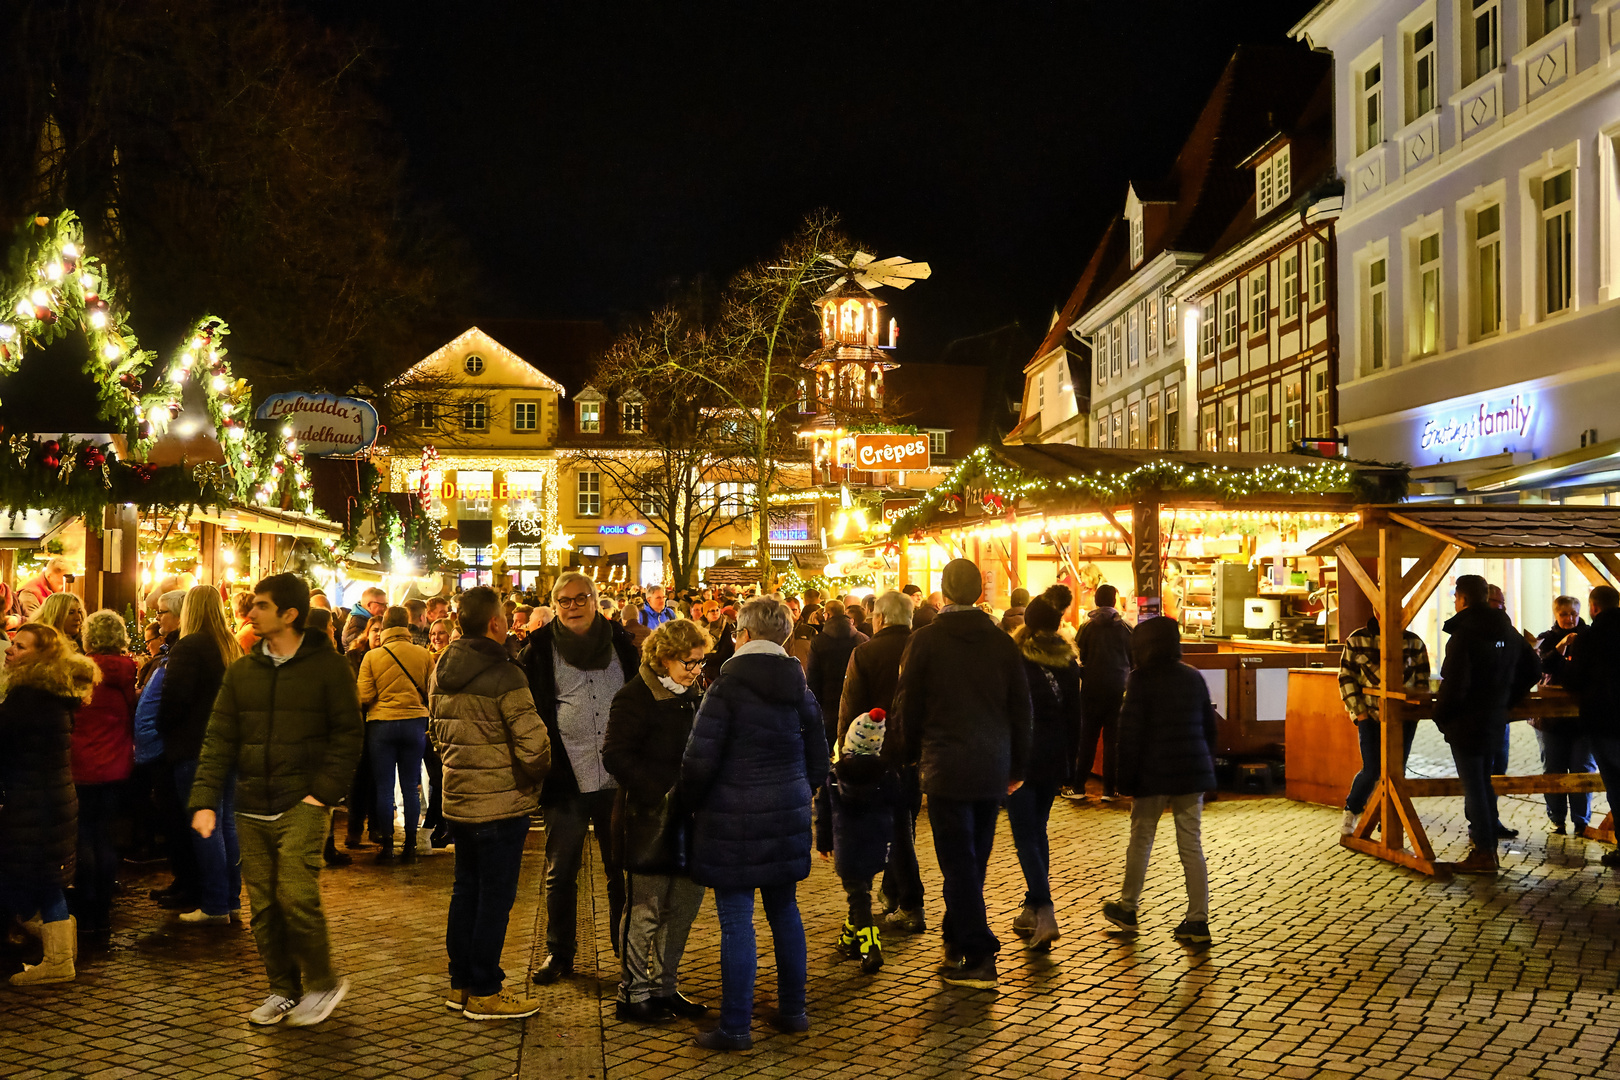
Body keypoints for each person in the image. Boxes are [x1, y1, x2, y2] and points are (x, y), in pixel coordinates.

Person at [189, 573, 363, 1026]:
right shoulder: (243, 670)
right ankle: (283, 989)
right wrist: (205, 798)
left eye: (261, 606)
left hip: (299, 802)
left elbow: (348, 735)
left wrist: (320, 793)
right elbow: (219, 737)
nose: (250, 614)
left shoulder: (328, 668)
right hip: (250, 804)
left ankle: (323, 982)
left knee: (296, 894)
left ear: (289, 615)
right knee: (263, 906)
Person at [680, 597, 827, 1051]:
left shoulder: (724, 689)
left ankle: (736, 1025)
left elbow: (698, 762)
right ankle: (793, 1010)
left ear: (743, 635)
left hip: (733, 820)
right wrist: (800, 790)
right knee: (785, 911)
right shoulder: (801, 691)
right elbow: (820, 762)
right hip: (787, 815)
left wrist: (686, 805)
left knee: (736, 920)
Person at [898, 559, 1031, 990]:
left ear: (944, 591)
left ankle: (979, 953)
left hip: (946, 764)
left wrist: (903, 752)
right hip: (992, 763)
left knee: (958, 863)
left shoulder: (925, 642)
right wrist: (1017, 765)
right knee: (973, 859)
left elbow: (908, 704)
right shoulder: (1001, 642)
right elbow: (1021, 709)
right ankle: (955, 940)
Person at [431, 585, 550, 1020]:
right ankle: (485, 989)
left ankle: (461, 982)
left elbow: (436, 731)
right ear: (496, 623)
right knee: (495, 899)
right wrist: (532, 777)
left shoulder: (442, 667)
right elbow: (533, 743)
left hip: (459, 797)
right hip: (499, 802)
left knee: (466, 892)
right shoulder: (505, 673)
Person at [520, 570, 636, 985]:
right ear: (554, 605)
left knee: (619, 868)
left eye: (580, 598)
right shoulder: (537, 650)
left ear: (594, 599)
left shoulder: (623, 643)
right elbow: (526, 711)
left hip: (616, 777)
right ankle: (560, 953)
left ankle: (627, 953)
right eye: (564, 601)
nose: (572, 606)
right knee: (560, 870)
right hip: (564, 777)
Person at [602, 618, 713, 1024]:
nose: (697, 670)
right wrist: (657, 790)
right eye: (690, 662)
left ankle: (665, 987)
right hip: (646, 818)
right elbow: (615, 754)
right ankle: (633, 993)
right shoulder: (634, 696)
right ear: (664, 658)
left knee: (681, 908)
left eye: (700, 662)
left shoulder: (694, 695)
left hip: (689, 816)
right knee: (645, 909)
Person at [1102, 614, 1218, 943]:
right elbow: (1210, 728)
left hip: (1152, 772)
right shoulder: (1192, 677)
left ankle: (1128, 907)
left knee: (1141, 839)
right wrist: (1206, 767)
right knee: (1191, 845)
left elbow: (1130, 733)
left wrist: (1125, 781)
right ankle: (1198, 919)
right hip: (1191, 773)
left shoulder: (1141, 679)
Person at [822, 589, 915, 972]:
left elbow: (850, 703)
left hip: (869, 758)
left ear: (878, 618)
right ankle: (905, 898)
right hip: (909, 755)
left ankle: (884, 910)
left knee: (874, 839)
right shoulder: (919, 647)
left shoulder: (866, 653)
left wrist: (846, 752)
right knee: (903, 827)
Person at [3, 622, 98, 986]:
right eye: (13, 643)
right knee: (41, 879)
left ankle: (58, 957)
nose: (11, 650)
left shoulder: (29, 697)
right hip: (49, 798)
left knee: (39, 881)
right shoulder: (49, 693)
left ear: (41, 657)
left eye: (21, 647)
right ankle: (60, 943)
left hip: (36, 801)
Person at [1432, 575, 1541, 874]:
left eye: (1456, 597)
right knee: (1484, 783)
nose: (1455, 603)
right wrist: (1507, 697)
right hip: (1494, 719)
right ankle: (1486, 850)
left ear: (1463, 598)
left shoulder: (1463, 634)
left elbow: (1454, 685)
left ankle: (1484, 852)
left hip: (1467, 722)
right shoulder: (1505, 627)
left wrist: (1442, 718)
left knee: (1475, 787)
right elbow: (1533, 667)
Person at [159, 587, 246, 925]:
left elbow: (174, 701)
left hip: (195, 748)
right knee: (225, 825)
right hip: (227, 747)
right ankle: (230, 898)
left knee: (205, 826)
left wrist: (165, 729)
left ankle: (214, 904)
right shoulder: (231, 645)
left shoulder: (190, 646)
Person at [1005, 596, 1081, 951]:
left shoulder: (1016, 659)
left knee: (1025, 833)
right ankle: (1032, 907)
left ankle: (1045, 909)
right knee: (1038, 829)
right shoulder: (1068, 660)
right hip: (1054, 758)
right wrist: (1072, 763)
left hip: (1023, 758)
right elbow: (1074, 716)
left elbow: (1011, 714)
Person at [71, 610, 138, 936]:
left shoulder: (79, 671)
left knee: (84, 834)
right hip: (116, 764)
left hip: (81, 764)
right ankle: (104, 906)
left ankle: (87, 904)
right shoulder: (127, 671)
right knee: (106, 835)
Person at [1337, 614, 1431, 837]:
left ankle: (1387, 820)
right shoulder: (1356, 639)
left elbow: (1422, 680)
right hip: (1369, 714)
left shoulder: (1414, 642)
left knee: (1397, 771)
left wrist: (1414, 711)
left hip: (1403, 718)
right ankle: (1352, 809)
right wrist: (1359, 712)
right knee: (1372, 770)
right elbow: (1346, 677)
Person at [356, 605, 435, 864]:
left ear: (386, 626)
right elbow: (431, 692)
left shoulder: (372, 657)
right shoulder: (423, 655)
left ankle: (388, 845)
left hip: (382, 724)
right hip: (414, 723)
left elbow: (364, 696)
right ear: (408, 624)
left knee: (384, 788)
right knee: (411, 787)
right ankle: (410, 844)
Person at [1563, 585, 1620, 867]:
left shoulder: (1589, 638)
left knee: (1616, 784)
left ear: (1593, 607)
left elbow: (1575, 680)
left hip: (1605, 720)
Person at [1536, 595, 1595, 835]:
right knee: (1553, 768)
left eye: (1574, 614)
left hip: (1583, 717)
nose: (1570, 619)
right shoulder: (1547, 639)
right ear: (1556, 615)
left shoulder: (1591, 637)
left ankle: (1581, 820)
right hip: (1551, 719)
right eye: (1564, 614)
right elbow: (1542, 665)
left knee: (1581, 768)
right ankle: (1557, 818)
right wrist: (1562, 645)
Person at [1073, 584, 1132, 802]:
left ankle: (1079, 787)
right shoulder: (1126, 628)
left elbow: (1079, 653)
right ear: (1115, 601)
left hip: (1091, 688)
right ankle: (1109, 790)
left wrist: (1084, 673)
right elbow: (1132, 657)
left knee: (1087, 737)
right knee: (1111, 740)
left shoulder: (1087, 627)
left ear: (1096, 601)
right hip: (1117, 688)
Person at [342, 614, 383, 851]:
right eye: (374, 629)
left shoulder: (388, 656)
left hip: (379, 720)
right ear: (367, 632)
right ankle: (354, 829)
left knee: (378, 775)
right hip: (359, 722)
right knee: (359, 778)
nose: (378, 634)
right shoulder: (353, 656)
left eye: (382, 629)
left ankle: (376, 827)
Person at [15, 556, 69, 621]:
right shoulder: (29, 593)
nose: (64, 588)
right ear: (49, 576)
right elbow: (33, 622)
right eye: (61, 583)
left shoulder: (54, 590)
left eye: (67, 584)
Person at [342, 586, 387, 650]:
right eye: (382, 605)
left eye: (386, 605)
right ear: (369, 605)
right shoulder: (357, 623)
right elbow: (355, 649)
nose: (385, 608)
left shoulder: (362, 619)